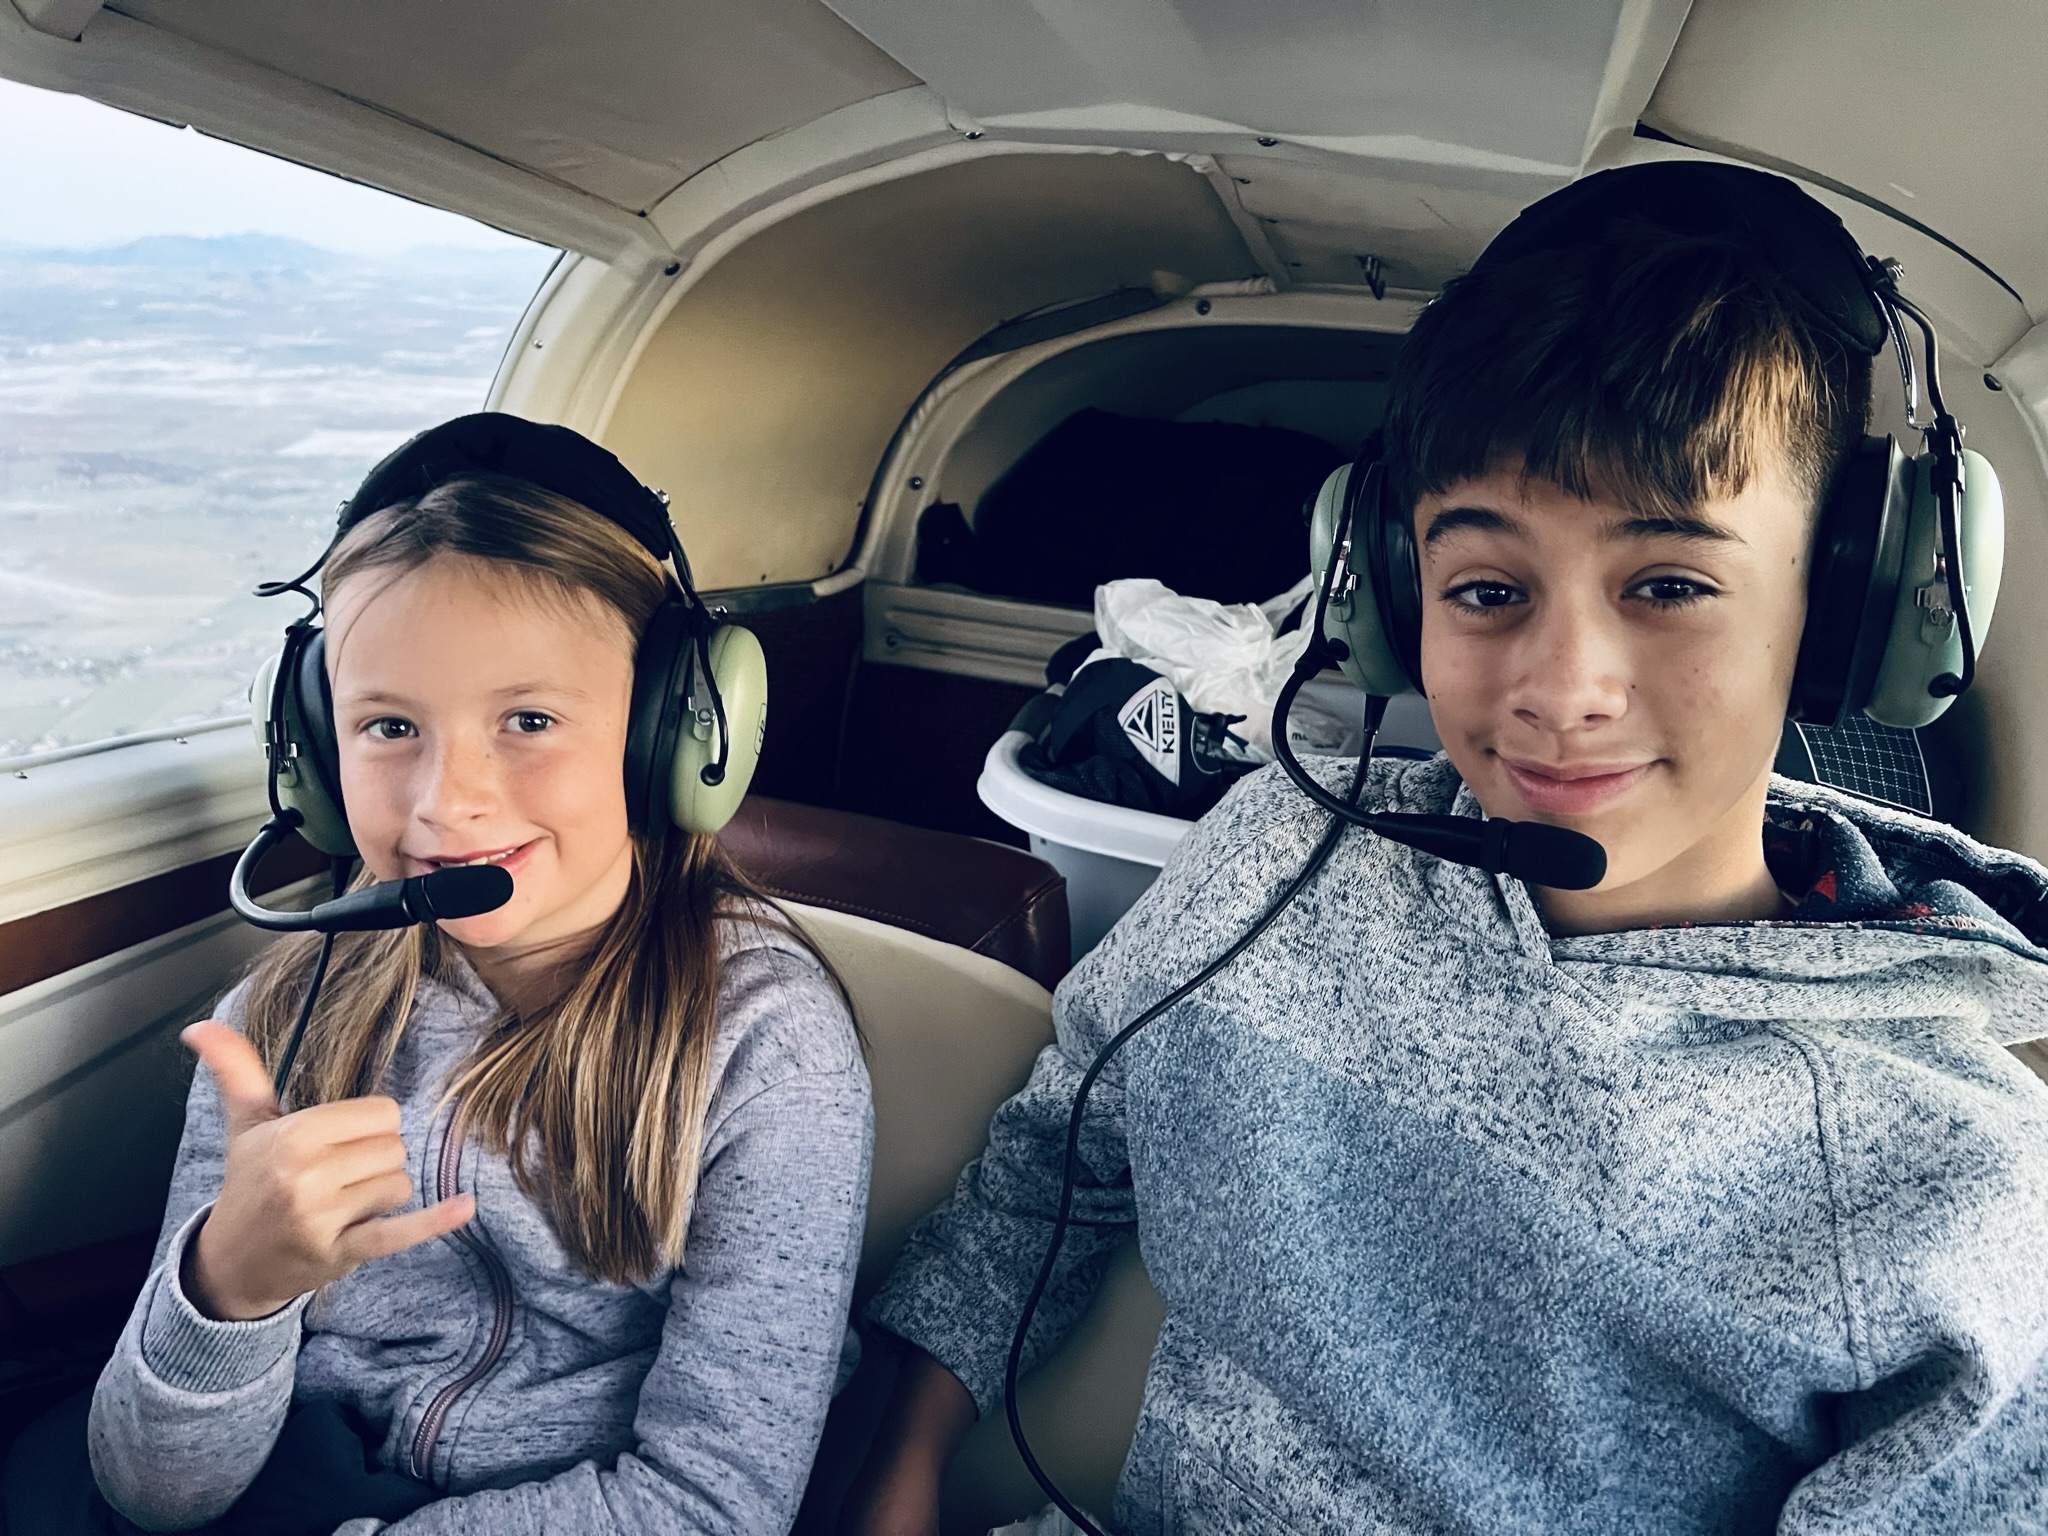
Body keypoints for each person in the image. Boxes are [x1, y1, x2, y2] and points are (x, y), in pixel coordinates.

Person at [841, 164, 2048, 1533]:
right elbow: (1054, 1157)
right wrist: (900, 1464)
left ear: (1844, 612)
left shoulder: (1956, 1177)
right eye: (1485, 589)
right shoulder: (1278, 857)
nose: (1560, 688)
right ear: (1390, 592)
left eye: (1668, 584)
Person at [8, 419, 873, 1533]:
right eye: (387, 726)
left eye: (529, 719)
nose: (446, 801)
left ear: (671, 728)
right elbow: (149, 1491)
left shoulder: (764, 1045)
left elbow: (714, 1503)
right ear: (314, 749)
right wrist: (230, 1288)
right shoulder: (286, 1015)